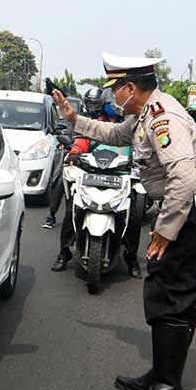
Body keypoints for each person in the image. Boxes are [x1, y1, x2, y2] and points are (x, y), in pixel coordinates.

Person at [53, 52, 196, 390]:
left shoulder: (165, 118)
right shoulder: (145, 114)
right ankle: (161, 376)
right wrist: (74, 119)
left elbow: (183, 179)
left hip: (192, 215)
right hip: (189, 211)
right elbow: (114, 133)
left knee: (170, 297)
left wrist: (163, 231)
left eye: (115, 88)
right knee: (165, 294)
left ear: (131, 88)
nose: (113, 95)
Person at [50, 88, 142, 279]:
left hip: (122, 176)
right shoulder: (95, 125)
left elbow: (141, 148)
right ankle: (64, 252)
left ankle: (131, 258)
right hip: (92, 175)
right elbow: (81, 143)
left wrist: (143, 161)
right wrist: (74, 153)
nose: (115, 108)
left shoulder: (131, 127)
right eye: (111, 105)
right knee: (71, 210)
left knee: (133, 217)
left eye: (117, 105)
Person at [43, 87, 106, 229]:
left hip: (102, 160)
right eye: (90, 103)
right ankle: (51, 215)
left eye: (96, 104)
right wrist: (71, 149)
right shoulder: (78, 118)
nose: (92, 107)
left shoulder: (106, 120)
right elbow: (70, 134)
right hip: (78, 156)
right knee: (61, 180)